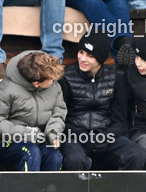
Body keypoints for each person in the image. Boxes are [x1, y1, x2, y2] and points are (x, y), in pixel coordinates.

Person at [59, 31, 145, 171]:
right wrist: (82, 136)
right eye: (81, 52)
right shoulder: (66, 77)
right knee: (75, 159)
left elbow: (120, 121)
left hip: (106, 135)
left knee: (137, 155)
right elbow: (61, 118)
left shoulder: (115, 78)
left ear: (100, 57)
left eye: (90, 55)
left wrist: (106, 136)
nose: (83, 59)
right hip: (74, 136)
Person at [0, 51, 65, 171]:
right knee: (31, 152)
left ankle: (48, 189)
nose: (54, 81)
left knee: (54, 156)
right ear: (36, 83)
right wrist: (28, 134)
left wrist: (53, 132)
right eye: (51, 80)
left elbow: (59, 112)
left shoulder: (54, 86)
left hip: (38, 137)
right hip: (3, 140)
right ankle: (29, 190)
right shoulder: (7, 89)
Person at [113, 38, 146, 151]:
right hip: (140, 131)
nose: (138, 63)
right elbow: (122, 108)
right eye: (137, 57)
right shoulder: (131, 75)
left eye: (144, 60)